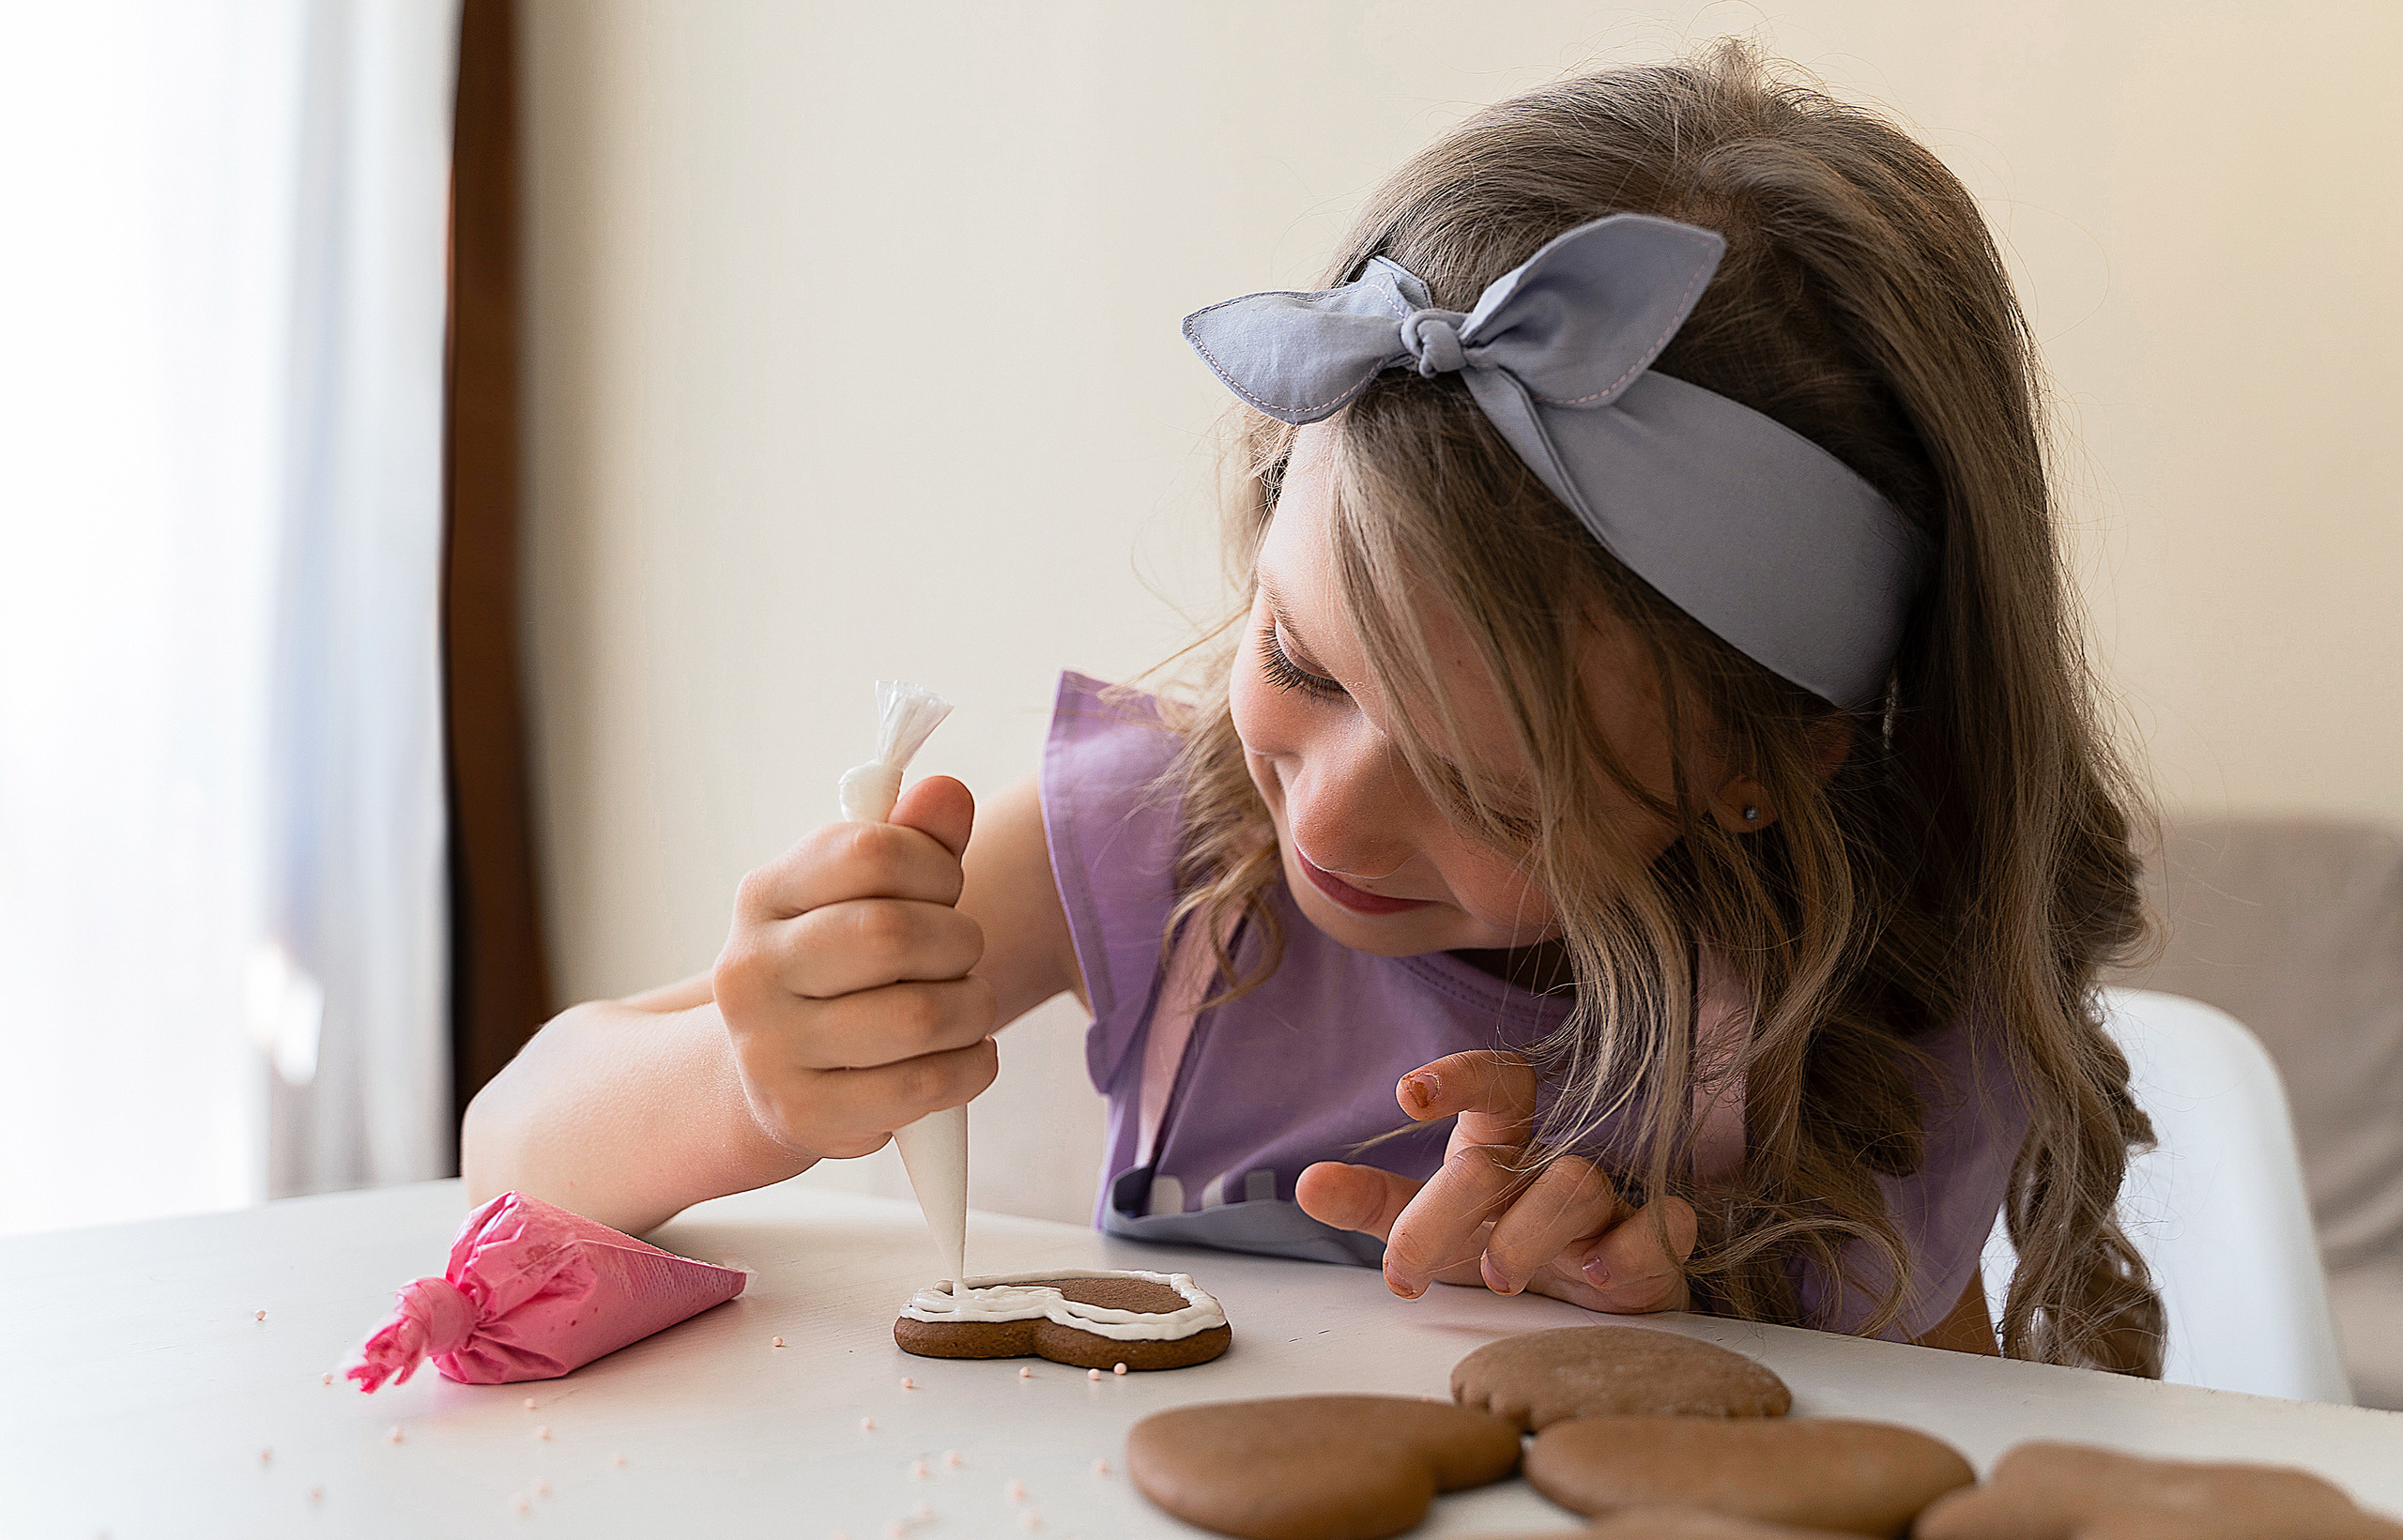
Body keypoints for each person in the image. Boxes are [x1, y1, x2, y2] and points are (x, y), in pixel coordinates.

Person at [465, 40, 2166, 1374]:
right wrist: (757, 1081)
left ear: (1762, 762)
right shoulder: (1150, 842)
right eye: (1298, 662)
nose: (1329, 821)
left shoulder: (1875, 1049)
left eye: (1496, 792)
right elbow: (512, 1141)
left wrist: (1701, 1319)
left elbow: (1939, 1479)